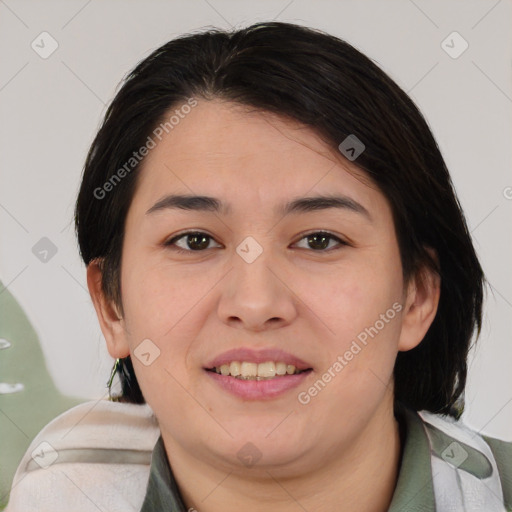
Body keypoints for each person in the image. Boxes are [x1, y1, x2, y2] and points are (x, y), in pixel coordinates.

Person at [5, 21, 512, 512]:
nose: (255, 303)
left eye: (319, 240)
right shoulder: (56, 493)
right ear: (112, 305)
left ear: (416, 296)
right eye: (195, 240)